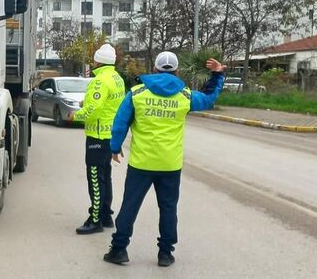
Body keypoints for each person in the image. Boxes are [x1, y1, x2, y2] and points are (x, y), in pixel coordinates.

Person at [103, 51, 226, 267]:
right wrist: (217, 75)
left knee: (130, 205)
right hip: (170, 164)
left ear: (155, 69)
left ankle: (119, 249)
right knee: (168, 208)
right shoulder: (185, 96)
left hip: (141, 163)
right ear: (177, 71)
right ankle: (165, 254)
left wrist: (115, 147)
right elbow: (207, 99)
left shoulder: (137, 92)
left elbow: (121, 121)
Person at [73, 44, 126, 234]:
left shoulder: (99, 81)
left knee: (95, 178)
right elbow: (110, 104)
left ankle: (95, 219)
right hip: (110, 136)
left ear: (98, 60)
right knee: (106, 178)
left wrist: (75, 115)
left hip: (97, 136)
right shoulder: (116, 78)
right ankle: (106, 215)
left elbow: (93, 110)